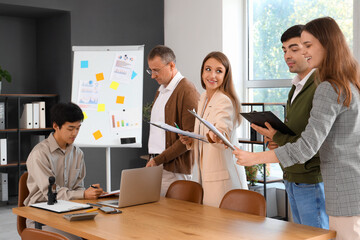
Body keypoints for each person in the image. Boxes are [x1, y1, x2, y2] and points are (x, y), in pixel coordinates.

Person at [234, 17, 360, 239]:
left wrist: (255, 158)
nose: (305, 52)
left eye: (308, 46)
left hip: (342, 193)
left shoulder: (328, 87)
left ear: (327, 43)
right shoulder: (350, 82)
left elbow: (306, 147)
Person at [261, 25, 328, 229]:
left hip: (310, 180)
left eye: (294, 48)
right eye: (284, 50)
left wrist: (279, 138)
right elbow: (298, 132)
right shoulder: (296, 86)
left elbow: (313, 142)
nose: (287, 55)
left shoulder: (320, 86)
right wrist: (276, 140)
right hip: (292, 176)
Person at [24, 102, 104, 240]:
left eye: (78, 128)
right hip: (42, 218)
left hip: (69, 212)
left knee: (102, 232)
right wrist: (83, 194)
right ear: (56, 126)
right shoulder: (39, 154)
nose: (75, 133)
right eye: (70, 128)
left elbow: (78, 187)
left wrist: (90, 193)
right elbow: (52, 193)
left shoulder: (77, 153)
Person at [179, 51, 247, 207]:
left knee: (222, 228)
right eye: (208, 69)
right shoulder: (203, 98)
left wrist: (217, 135)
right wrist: (190, 139)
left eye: (219, 71)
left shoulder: (224, 100)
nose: (212, 75)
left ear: (225, 76)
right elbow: (203, 135)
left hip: (222, 180)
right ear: (202, 72)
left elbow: (222, 129)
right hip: (204, 174)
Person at [146, 45, 200, 196]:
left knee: (173, 217)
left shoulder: (187, 90)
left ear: (171, 65)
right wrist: (155, 160)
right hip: (158, 165)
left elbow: (189, 137)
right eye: (150, 70)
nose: (152, 75)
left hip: (174, 169)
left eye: (156, 70)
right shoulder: (161, 90)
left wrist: (159, 160)